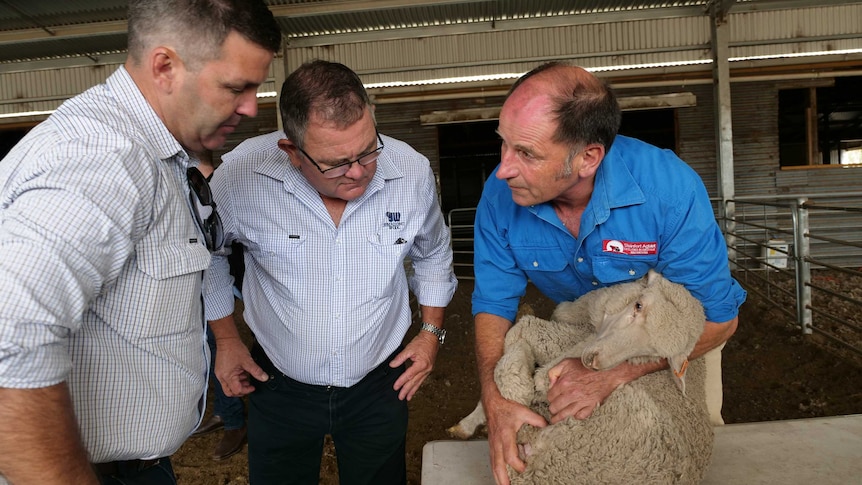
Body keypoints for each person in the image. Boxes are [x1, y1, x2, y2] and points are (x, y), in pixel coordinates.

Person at [0, 1, 280, 484]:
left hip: (136, 465)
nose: (252, 106)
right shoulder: (101, 158)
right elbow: (11, 341)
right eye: (236, 87)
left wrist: (226, 341)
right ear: (165, 66)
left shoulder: (162, 157)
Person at [471, 62, 747, 485]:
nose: (503, 168)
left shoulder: (669, 191)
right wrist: (493, 399)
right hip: (584, 328)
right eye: (503, 145)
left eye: (526, 153)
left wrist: (614, 373)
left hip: (671, 333)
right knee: (566, 435)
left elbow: (719, 320)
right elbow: (493, 302)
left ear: (588, 157)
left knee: (687, 437)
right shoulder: (500, 196)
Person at [203, 59, 458, 485]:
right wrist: (226, 340)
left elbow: (433, 252)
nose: (358, 172)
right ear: (292, 152)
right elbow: (210, 253)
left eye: (367, 151)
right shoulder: (240, 178)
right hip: (279, 385)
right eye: (336, 163)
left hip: (380, 383)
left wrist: (431, 333)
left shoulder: (410, 171)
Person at [192, 151, 247, 461]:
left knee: (222, 346)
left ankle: (235, 422)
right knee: (209, 347)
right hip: (207, 286)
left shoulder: (222, 190)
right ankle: (225, 413)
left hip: (234, 288)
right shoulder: (197, 191)